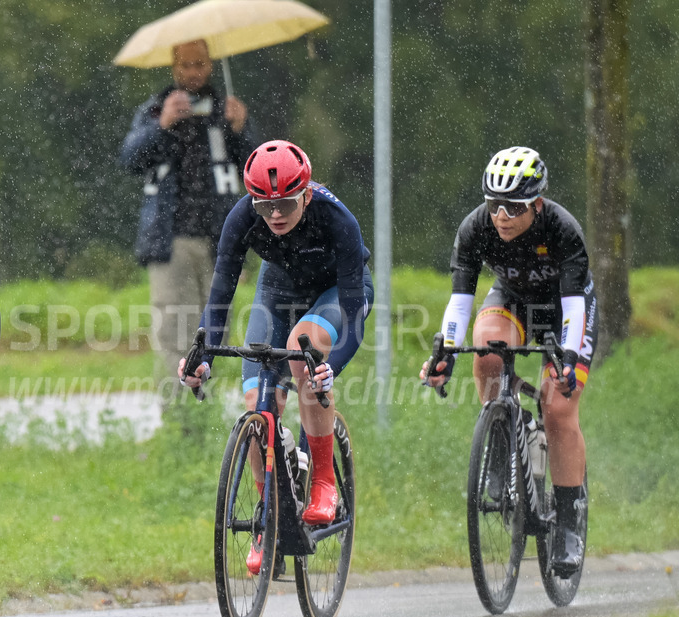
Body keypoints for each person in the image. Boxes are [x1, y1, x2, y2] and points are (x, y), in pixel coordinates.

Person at [179, 140, 373, 573]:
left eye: (285, 203)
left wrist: (330, 366)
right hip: (278, 291)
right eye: (265, 207)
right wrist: (203, 355)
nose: (276, 215)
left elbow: (355, 313)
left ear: (305, 194)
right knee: (258, 409)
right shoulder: (242, 218)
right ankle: (270, 511)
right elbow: (221, 295)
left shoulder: (337, 218)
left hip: (336, 293)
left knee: (304, 356)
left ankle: (324, 482)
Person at [420, 146, 597, 577]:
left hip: (562, 310)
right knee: (487, 352)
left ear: (537, 203)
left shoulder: (562, 229)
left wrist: (568, 359)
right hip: (513, 300)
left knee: (557, 408)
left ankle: (570, 525)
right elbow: (461, 302)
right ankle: (501, 443)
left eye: (513, 207)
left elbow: (574, 306)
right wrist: (444, 351)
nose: (502, 215)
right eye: (494, 204)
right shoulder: (475, 227)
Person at [119, 39, 257, 387]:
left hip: (220, 240)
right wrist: (162, 124)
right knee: (173, 330)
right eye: (186, 65)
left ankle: (208, 417)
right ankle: (178, 420)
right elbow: (129, 159)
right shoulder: (155, 109)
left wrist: (240, 131)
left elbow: (257, 167)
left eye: (200, 64)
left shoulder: (227, 110)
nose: (193, 73)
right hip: (171, 239)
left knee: (216, 331)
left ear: (211, 64)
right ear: (173, 66)